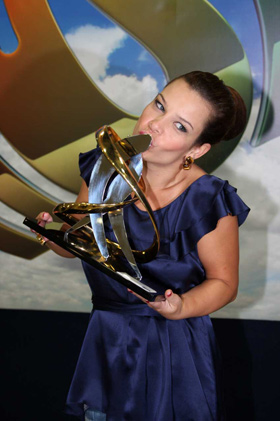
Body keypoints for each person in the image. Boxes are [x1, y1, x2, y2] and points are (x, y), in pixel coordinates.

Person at [35, 71, 250, 420]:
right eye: (159, 105)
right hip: (107, 337)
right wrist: (57, 238)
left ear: (197, 149)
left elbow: (225, 284)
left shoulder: (209, 199)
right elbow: (84, 240)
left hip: (174, 346)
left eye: (180, 126)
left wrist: (181, 307)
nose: (154, 125)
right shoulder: (106, 166)